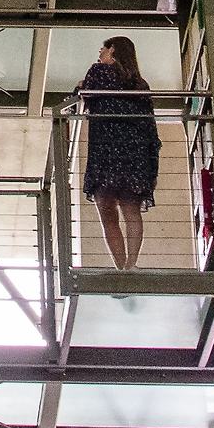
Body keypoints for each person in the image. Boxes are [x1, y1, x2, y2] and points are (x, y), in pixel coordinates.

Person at [80, 34, 161, 271]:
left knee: (107, 212)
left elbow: (87, 98)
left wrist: (80, 86)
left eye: (103, 49)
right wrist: (152, 164)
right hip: (134, 152)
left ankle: (121, 268)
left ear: (113, 50)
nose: (100, 53)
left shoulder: (98, 72)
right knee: (131, 210)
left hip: (105, 150)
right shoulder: (140, 84)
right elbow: (149, 124)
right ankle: (131, 264)